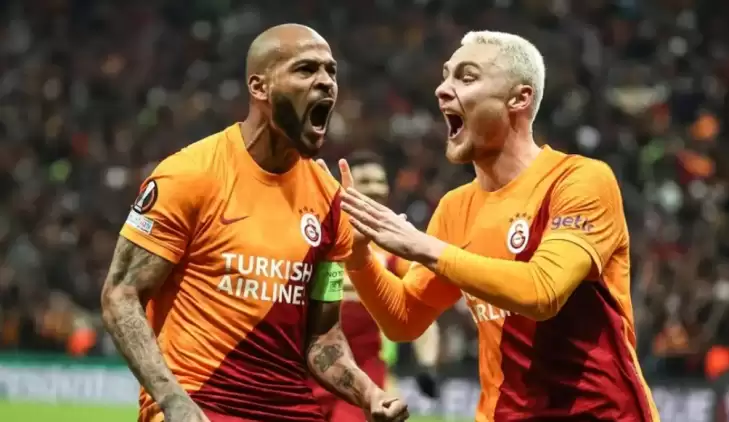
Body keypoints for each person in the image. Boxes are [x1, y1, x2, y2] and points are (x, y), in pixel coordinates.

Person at [321, 30, 660, 421]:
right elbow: (403, 320)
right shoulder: (456, 207)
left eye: (466, 77)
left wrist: (426, 248)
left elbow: (543, 292)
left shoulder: (578, 180)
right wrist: (359, 254)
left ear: (519, 98)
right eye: (445, 76)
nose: (442, 90)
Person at [100, 24, 408, 422]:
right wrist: (172, 400)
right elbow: (120, 295)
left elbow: (322, 338)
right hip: (201, 402)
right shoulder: (190, 175)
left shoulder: (328, 201)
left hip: (290, 407)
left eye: (331, 71)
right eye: (306, 69)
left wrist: (369, 394)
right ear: (259, 87)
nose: (326, 82)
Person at [309, 151, 440, 421]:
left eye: (380, 181)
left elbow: (421, 307)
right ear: (346, 186)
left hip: (368, 370)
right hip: (312, 367)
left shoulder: (396, 249)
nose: (376, 188)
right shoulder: (319, 238)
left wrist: (427, 364)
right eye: (366, 181)